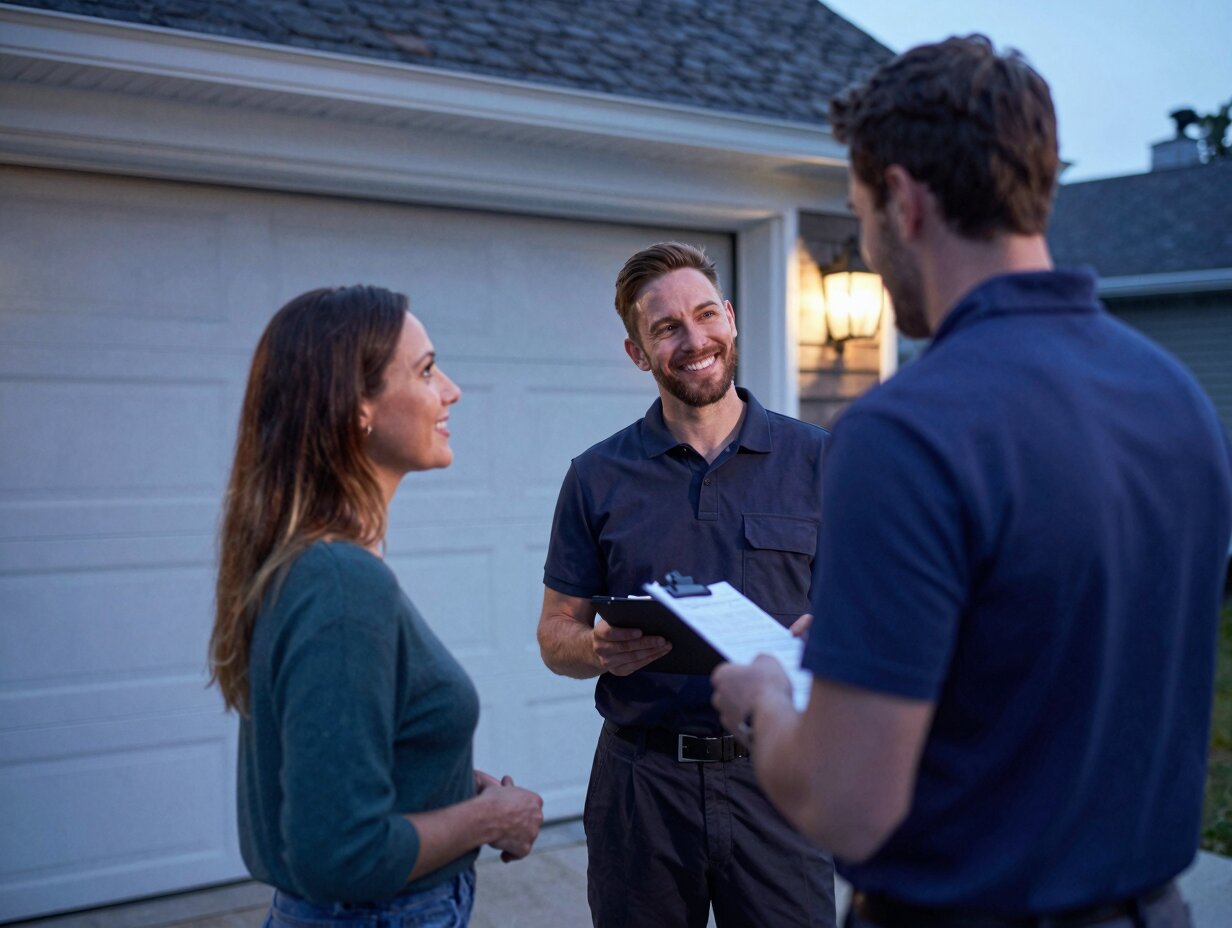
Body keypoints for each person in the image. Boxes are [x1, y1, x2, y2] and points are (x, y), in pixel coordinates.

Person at [711, 35, 1232, 928]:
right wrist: (874, 640)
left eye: (861, 211)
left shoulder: (902, 432)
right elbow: (1060, 641)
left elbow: (848, 804)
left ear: (905, 201)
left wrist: (762, 703)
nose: (868, 244)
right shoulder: (1177, 399)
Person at [209, 285, 543, 926]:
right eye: (425, 371)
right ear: (356, 408)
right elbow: (338, 851)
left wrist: (439, 778)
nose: (451, 390)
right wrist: (487, 817)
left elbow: (338, 762)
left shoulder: (313, 563)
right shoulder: (340, 583)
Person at [537, 242, 836, 928]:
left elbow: (873, 613)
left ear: (730, 319)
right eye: (666, 328)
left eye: (705, 315)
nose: (693, 339)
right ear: (638, 352)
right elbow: (555, 634)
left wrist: (841, 636)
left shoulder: (819, 459)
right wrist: (596, 650)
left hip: (780, 775)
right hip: (642, 787)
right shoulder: (596, 476)